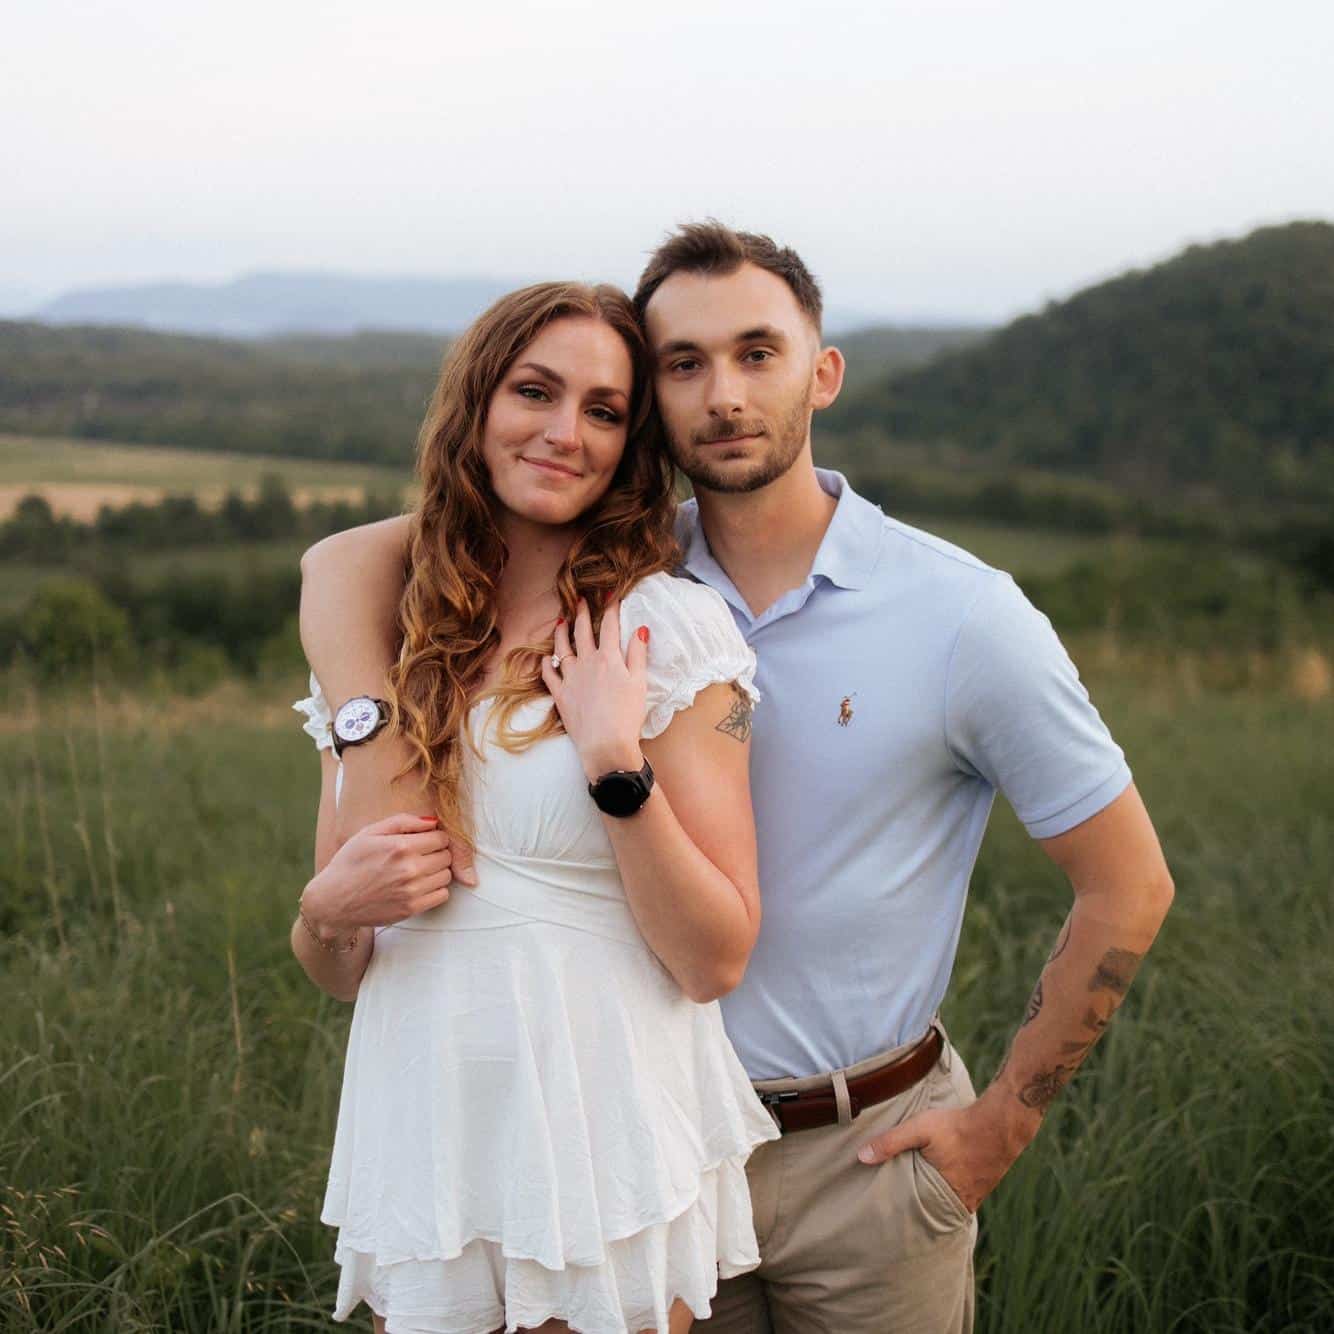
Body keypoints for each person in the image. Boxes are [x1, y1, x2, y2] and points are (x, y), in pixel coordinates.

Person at [300, 223, 1176, 1333]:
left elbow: (1129, 883)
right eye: (682, 364)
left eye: (756, 353)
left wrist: (1000, 1122)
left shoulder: (959, 614)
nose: (721, 393)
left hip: (860, 1156)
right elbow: (353, 558)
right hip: (646, 1137)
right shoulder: (612, 576)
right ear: (653, 401)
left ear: (822, 373)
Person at [289, 280, 782, 1334]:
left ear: (629, 444)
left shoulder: (661, 631)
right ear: (475, 404)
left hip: (591, 1127)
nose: (565, 433)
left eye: (603, 411)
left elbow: (714, 958)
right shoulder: (396, 632)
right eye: (534, 391)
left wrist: (613, 762)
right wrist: (326, 911)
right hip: (427, 1129)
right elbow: (345, 958)